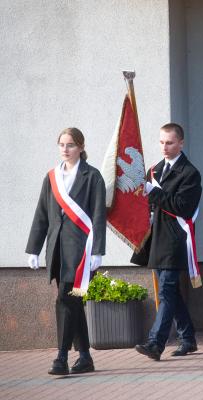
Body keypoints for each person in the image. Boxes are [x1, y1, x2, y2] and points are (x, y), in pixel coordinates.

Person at [26, 127, 106, 375]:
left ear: (81, 147)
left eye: (70, 144)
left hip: (82, 252)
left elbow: (98, 215)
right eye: (62, 144)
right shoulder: (51, 178)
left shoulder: (93, 177)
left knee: (65, 299)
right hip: (57, 251)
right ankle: (84, 357)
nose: (65, 149)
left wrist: (98, 251)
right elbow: (41, 214)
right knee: (73, 303)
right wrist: (34, 248)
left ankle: (61, 357)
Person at [133, 123, 202, 360]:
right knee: (171, 293)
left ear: (181, 143)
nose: (165, 147)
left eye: (170, 142)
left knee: (166, 291)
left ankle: (155, 343)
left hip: (175, 239)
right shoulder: (156, 169)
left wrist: (154, 192)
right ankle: (188, 338)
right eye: (162, 142)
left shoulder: (190, 173)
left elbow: (182, 206)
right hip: (157, 239)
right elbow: (149, 204)